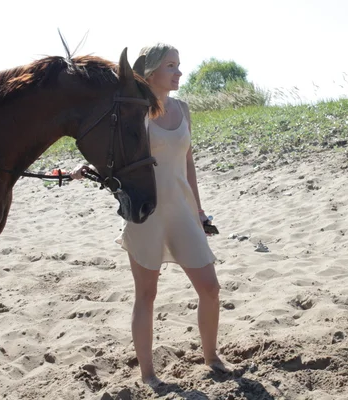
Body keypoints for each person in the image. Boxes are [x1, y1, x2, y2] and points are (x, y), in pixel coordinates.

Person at [71, 43, 230, 387]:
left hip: (183, 212)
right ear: (152, 72)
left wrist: (199, 211)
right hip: (147, 211)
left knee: (210, 288)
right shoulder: (135, 113)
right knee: (147, 294)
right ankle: (148, 375)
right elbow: (114, 152)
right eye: (171, 66)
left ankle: (212, 356)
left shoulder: (183, 109)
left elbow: (188, 163)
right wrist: (85, 168)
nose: (179, 72)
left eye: (179, 65)